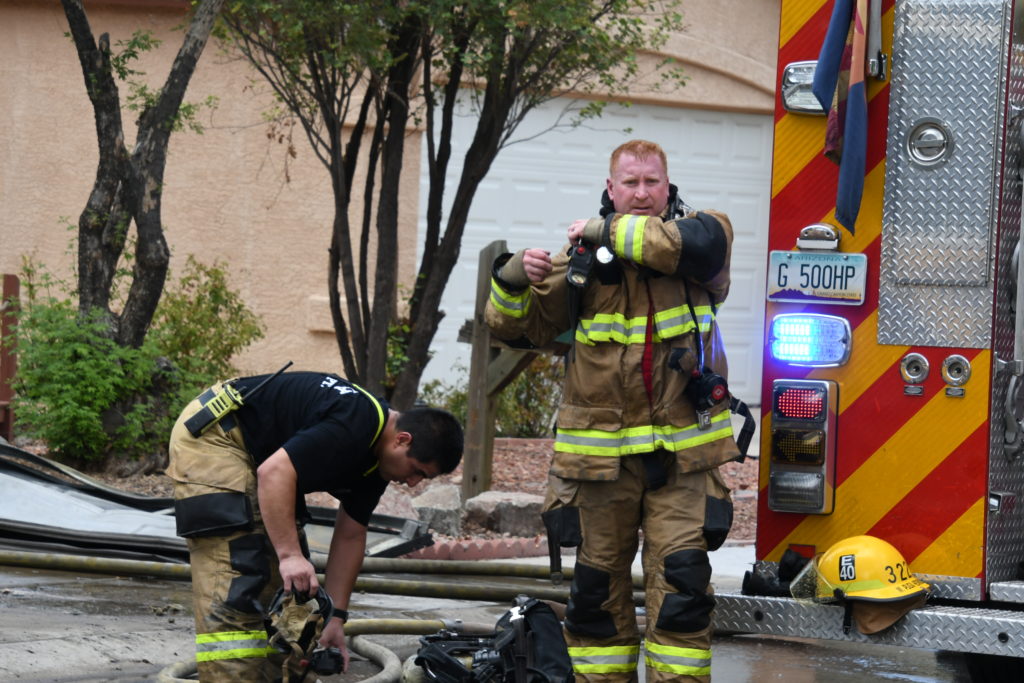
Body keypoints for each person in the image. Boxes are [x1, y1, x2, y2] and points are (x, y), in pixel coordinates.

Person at [485, 139, 742, 682]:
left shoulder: (701, 239)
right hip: (600, 469)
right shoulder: (581, 261)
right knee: (595, 600)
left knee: (683, 593)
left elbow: (693, 246)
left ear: (668, 187)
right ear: (611, 187)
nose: (642, 193)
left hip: (683, 463)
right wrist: (511, 278)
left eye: (652, 182)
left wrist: (601, 228)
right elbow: (515, 327)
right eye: (631, 182)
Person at [166, 369, 463, 681]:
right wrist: (290, 556)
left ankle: (285, 675)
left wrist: (335, 617)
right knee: (240, 575)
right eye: (417, 471)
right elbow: (274, 472)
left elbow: (351, 534)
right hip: (218, 436)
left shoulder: (378, 462)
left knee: (295, 596)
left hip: (263, 456)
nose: (413, 483)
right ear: (402, 440)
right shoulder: (354, 422)